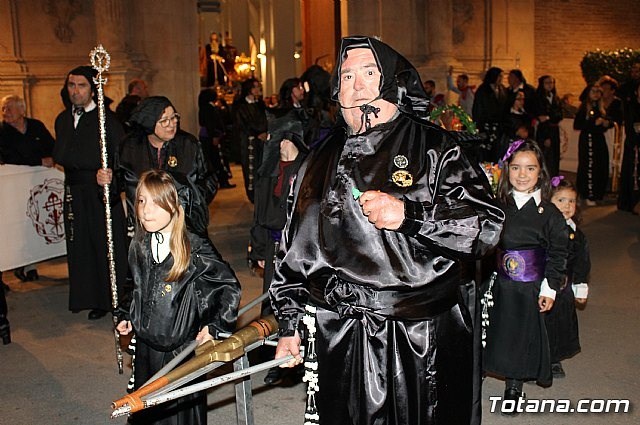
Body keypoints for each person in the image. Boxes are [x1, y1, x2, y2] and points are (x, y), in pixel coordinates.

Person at [270, 36, 504, 425]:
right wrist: (289, 326)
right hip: (339, 330)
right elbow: (290, 251)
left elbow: (486, 226)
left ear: (393, 84)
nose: (356, 84)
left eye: (368, 72)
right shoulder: (315, 161)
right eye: (346, 75)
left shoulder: (434, 147)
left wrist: (410, 215)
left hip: (418, 334)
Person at [116, 169, 240, 425]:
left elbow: (228, 286)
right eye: (142, 201)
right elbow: (134, 283)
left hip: (179, 352)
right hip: (146, 346)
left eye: (157, 203)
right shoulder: (139, 244)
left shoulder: (193, 247)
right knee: (147, 406)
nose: (146, 211)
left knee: (178, 416)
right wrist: (127, 312)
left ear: (176, 205)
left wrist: (215, 326)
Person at [482, 139, 568, 411]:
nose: (522, 175)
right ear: (507, 170)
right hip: (499, 283)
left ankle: (514, 384)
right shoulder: (497, 206)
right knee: (498, 331)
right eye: (516, 168)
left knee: (520, 334)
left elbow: (558, 252)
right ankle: (484, 368)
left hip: (529, 286)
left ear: (540, 173)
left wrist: (549, 288)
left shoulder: (550, 213)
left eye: (530, 169)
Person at [53, 66, 129, 320]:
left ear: (93, 89)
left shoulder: (107, 120)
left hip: (101, 193)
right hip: (74, 192)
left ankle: (110, 300)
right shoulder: (63, 120)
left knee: (104, 245)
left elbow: (123, 160)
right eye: (71, 85)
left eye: (81, 85)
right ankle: (87, 297)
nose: (75, 91)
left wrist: (109, 176)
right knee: (80, 245)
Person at [98, 96, 218, 238]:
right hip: (144, 231)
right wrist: (105, 182)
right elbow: (114, 189)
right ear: (148, 123)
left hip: (183, 230)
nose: (172, 124)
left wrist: (187, 203)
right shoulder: (129, 148)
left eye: (174, 117)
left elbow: (210, 181)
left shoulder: (189, 145)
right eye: (164, 120)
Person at [0, 94, 56, 282]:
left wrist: (51, 159)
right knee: (12, 226)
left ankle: (31, 264)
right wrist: (38, 161)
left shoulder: (36, 126)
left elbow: (52, 146)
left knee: (32, 223)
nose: (4, 112)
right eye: (3, 108)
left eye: (9, 107)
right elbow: (8, 157)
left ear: (21, 110)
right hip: (12, 188)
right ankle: (14, 264)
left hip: (35, 186)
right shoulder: (2, 132)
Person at [546, 176, 590, 379]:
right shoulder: (543, 230)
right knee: (539, 323)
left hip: (563, 289)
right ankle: (537, 356)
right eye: (561, 200)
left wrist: (580, 288)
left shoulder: (577, 235)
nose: (567, 206)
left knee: (560, 324)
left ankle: (554, 358)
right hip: (542, 284)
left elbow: (582, 264)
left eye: (571, 201)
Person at [233, 78, 268, 203]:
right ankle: (253, 196)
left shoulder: (260, 104)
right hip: (249, 142)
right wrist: (258, 133)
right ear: (249, 89)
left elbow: (266, 119)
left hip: (262, 141)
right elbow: (243, 124)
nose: (258, 89)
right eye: (255, 87)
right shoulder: (241, 106)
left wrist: (264, 131)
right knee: (251, 169)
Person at [574, 84, 609, 205]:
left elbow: (606, 123)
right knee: (589, 165)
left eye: (599, 92)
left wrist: (605, 123)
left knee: (600, 164)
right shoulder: (584, 107)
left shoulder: (601, 107)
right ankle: (587, 193)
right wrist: (593, 122)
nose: (596, 94)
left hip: (598, 139)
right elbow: (578, 125)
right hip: (588, 139)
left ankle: (597, 192)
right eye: (593, 91)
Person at [198, 88, 235, 189]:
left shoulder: (207, 106)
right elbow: (211, 124)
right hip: (211, 137)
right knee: (218, 159)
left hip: (210, 136)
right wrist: (215, 136)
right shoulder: (208, 108)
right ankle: (222, 181)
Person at [473, 67, 508, 162]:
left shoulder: (502, 89)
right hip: (486, 125)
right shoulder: (483, 90)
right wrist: (479, 126)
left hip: (499, 127)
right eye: (499, 76)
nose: (501, 79)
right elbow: (478, 109)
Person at [534, 76, 564, 177]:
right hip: (544, 130)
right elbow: (539, 116)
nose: (550, 85)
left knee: (554, 156)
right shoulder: (538, 98)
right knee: (545, 156)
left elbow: (559, 115)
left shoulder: (555, 98)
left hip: (554, 130)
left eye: (552, 82)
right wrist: (546, 136)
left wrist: (548, 117)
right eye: (547, 83)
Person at [618, 83, 640, 212]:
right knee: (633, 174)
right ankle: (632, 202)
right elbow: (632, 127)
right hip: (634, 144)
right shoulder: (632, 106)